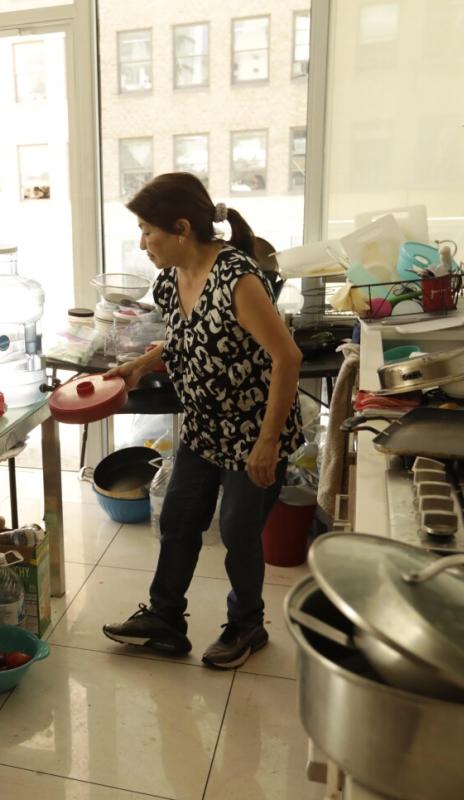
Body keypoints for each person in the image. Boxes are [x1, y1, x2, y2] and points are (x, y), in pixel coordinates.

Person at [102, 172, 305, 670]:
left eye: (149, 230)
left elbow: (287, 358)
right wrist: (140, 364)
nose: (143, 242)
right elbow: (187, 335)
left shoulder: (239, 278)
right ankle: (165, 619)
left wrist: (268, 443)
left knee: (238, 532)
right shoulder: (171, 280)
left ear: (181, 228)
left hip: (253, 432)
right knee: (178, 521)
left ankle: (247, 625)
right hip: (203, 426)